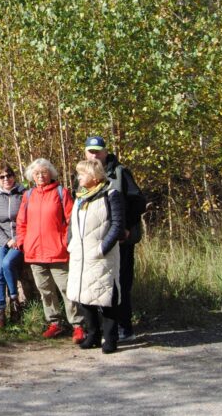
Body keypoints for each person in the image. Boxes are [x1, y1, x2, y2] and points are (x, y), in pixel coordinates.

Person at [16, 158, 85, 341]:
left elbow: (72, 221)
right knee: (45, 290)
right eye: (37, 173)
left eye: (44, 172)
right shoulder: (28, 195)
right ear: (32, 176)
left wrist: (65, 242)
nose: (40, 175)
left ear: (51, 174)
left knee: (67, 289)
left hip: (58, 251)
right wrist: (23, 242)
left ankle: (78, 325)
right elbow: (21, 222)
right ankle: (55, 323)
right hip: (35, 252)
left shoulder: (61, 193)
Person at [85, 135, 144, 342]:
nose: (94, 155)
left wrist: (126, 228)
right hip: (97, 242)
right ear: (85, 152)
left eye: (98, 151)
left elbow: (138, 202)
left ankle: (125, 328)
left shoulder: (120, 173)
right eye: (91, 151)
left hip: (120, 241)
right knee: (100, 285)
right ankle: (103, 329)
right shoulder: (84, 176)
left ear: (105, 152)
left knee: (121, 284)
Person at [68, 158, 124, 353]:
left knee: (105, 297)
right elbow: (72, 224)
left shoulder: (111, 194)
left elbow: (117, 225)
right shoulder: (80, 197)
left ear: (93, 176)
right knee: (84, 296)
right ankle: (92, 334)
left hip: (101, 255)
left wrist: (102, 248)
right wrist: (70, 243)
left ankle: (110, 338)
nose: (78, 177)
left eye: (82, 174)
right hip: (80, 255)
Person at [0, 163, 25, 327]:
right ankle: (1, 310)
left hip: (21, 238)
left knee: (7, 263)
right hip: (1, 240)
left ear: (14, 177)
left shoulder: (23, 195)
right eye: (2, 177)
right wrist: (6, 240)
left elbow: (29, 220)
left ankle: (15, 301)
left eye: (9, 175)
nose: (6, 179)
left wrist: (17, 238)